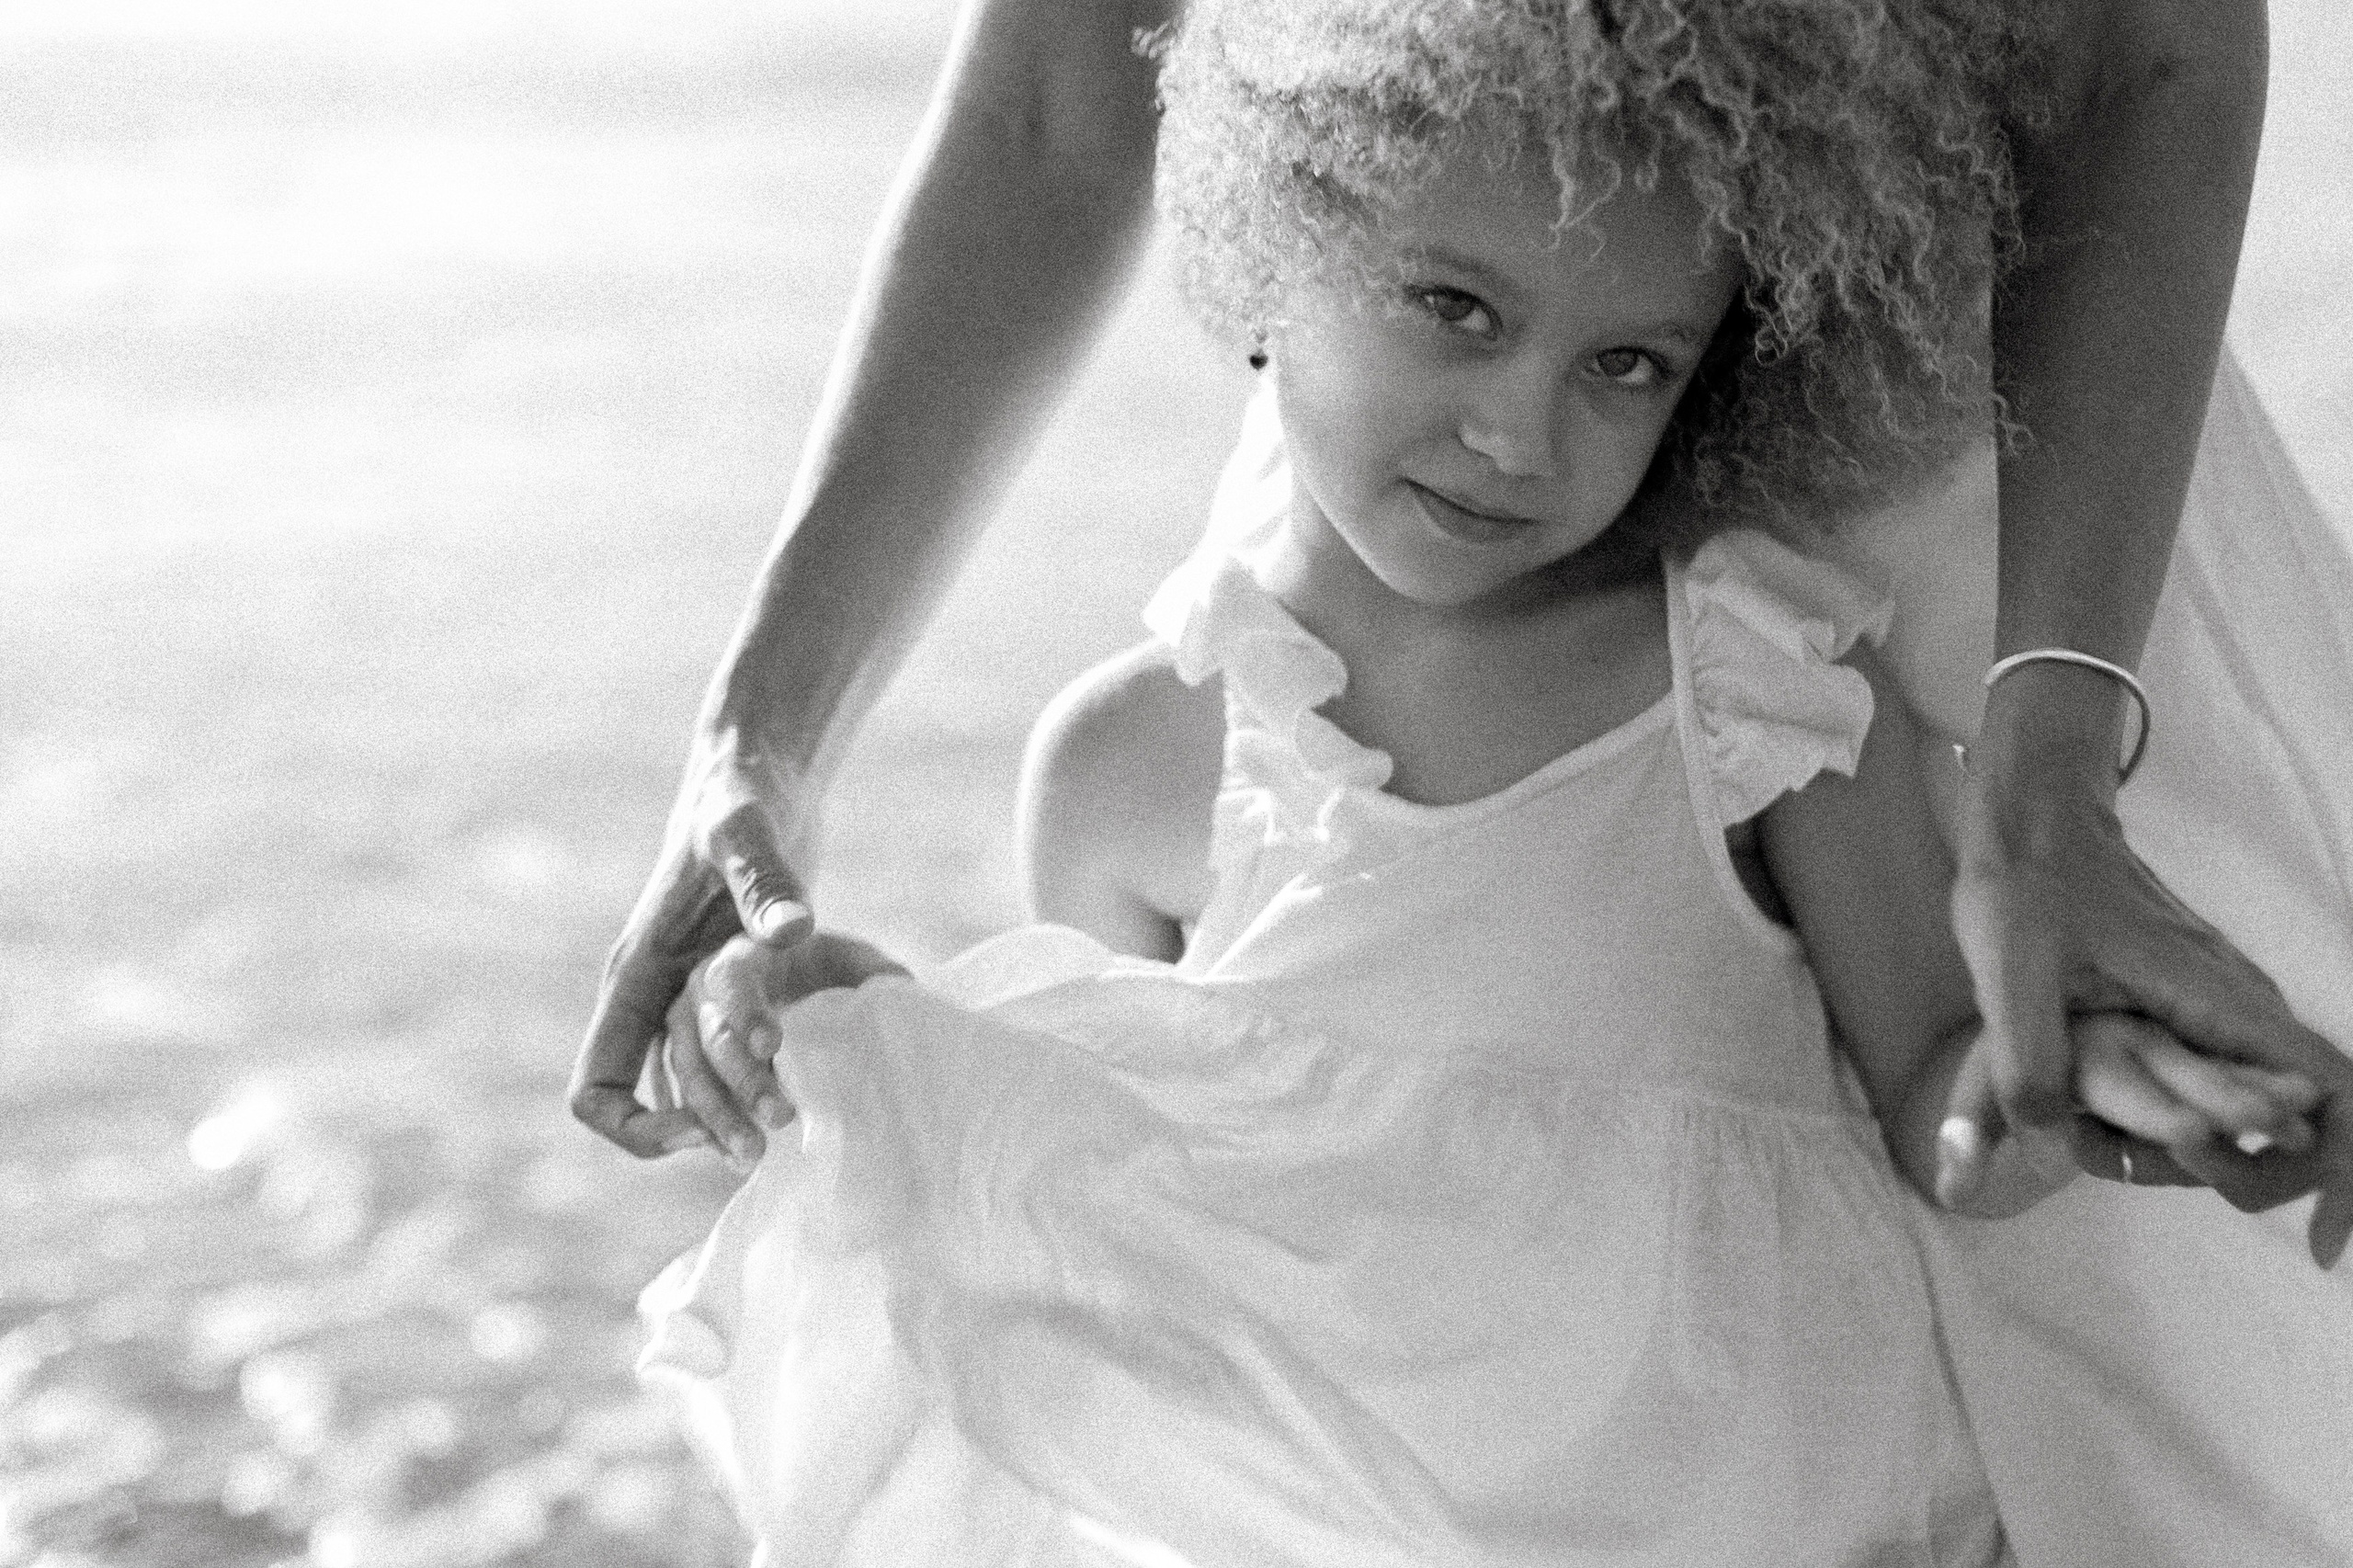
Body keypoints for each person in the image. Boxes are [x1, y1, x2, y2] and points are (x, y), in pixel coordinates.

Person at [636, 5, 2313, 1559]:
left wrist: (2050, 1043)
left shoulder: (1769, 697)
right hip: (1379, 1487)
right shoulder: (1140, 759)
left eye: (1629, 367)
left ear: (1699, 367)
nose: (1522, 435)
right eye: (1461, 318)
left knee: (2206, 1443)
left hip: (2031, 489)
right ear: (1261, 234)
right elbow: (1119, 1216)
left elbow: (2150, 51)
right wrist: (853, 1026)